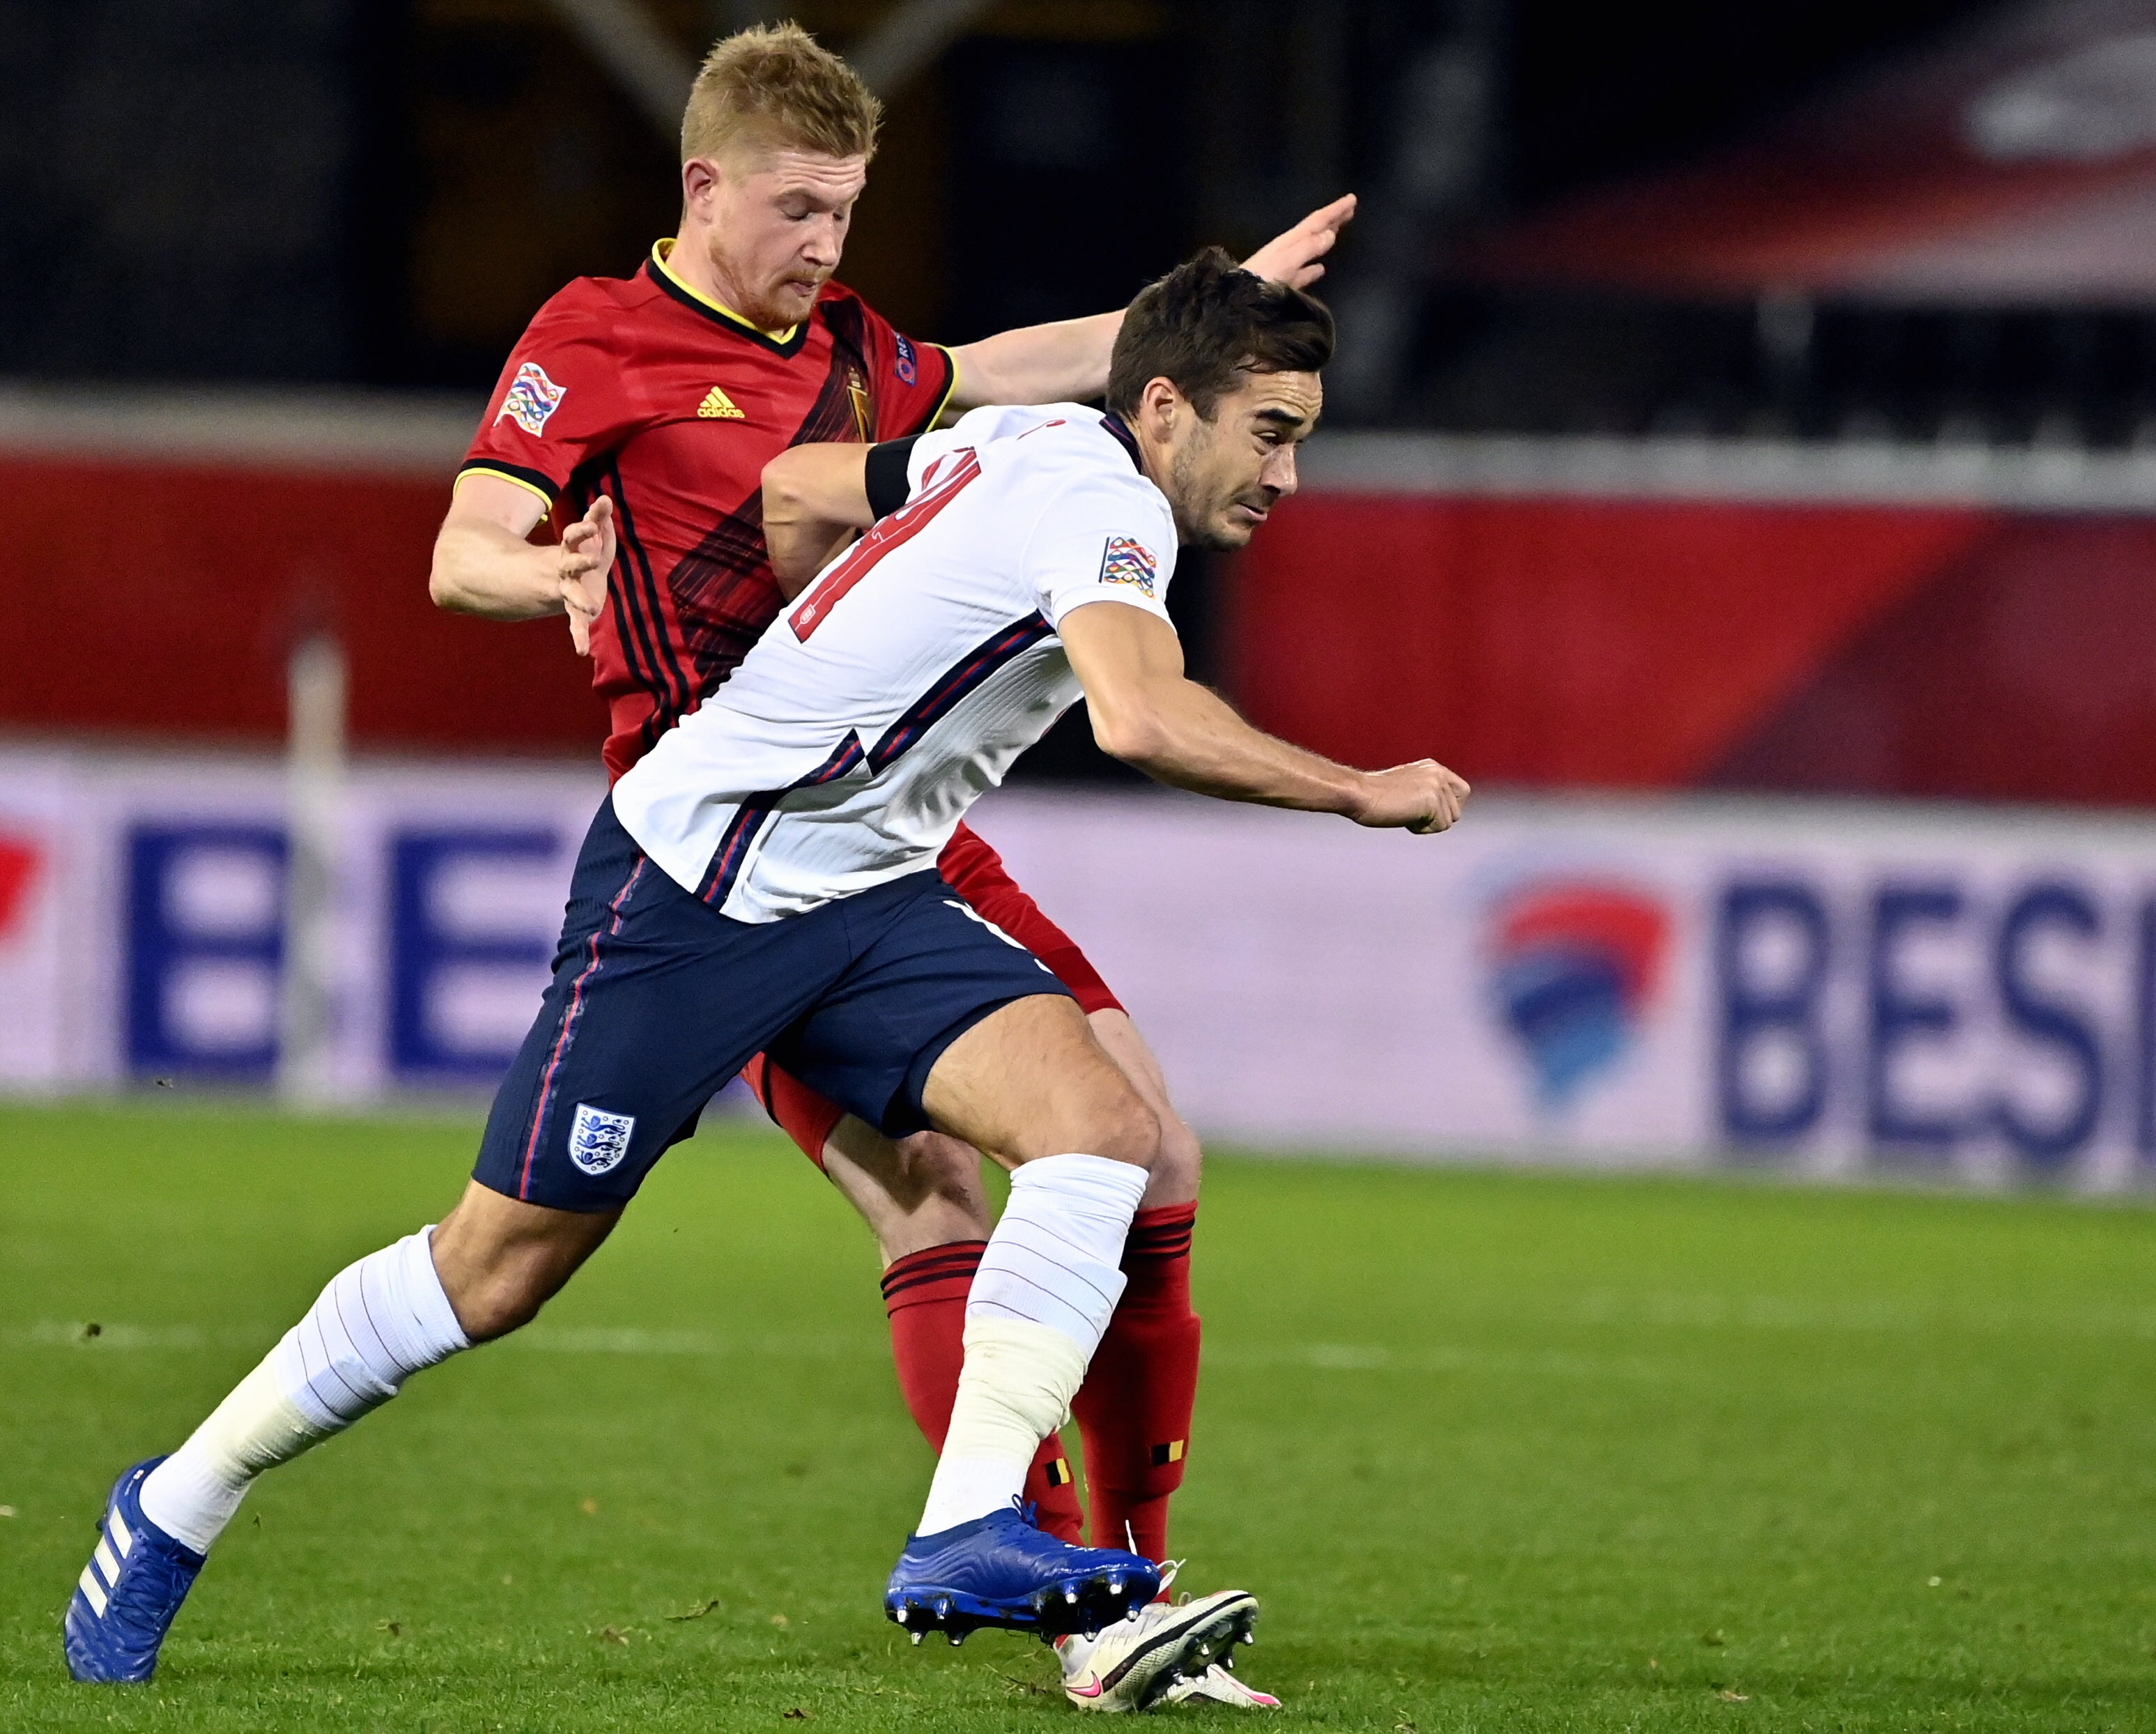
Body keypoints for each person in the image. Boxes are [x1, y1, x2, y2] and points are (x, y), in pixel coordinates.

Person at [66, 250, 1467, 1713]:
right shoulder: (1104, 505)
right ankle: (176, 1497)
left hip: (861, 892)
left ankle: (968, 1523)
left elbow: (798, 489)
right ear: (1168, 408)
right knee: (495, 1270)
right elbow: (1135, 713)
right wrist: (1358, 789)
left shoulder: (1019, 436)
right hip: (688, 893)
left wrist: (818, 648)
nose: (1288, 476)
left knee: (1106, 1131)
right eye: (1275, 432)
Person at [421, 21, 1352, 1708]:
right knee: (930, 1188)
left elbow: (1010, 363)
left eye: (846, 209)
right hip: (728, 834)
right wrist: (537, 571)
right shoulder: (596, 331)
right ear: (705, 186)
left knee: (1152, 1154)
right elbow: (464, 540)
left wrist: (1204, 312)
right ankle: (1072, 1611)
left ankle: (1122, 1578)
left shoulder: (854, 347)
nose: (826, 244)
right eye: (796, 209)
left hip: (909, 812)